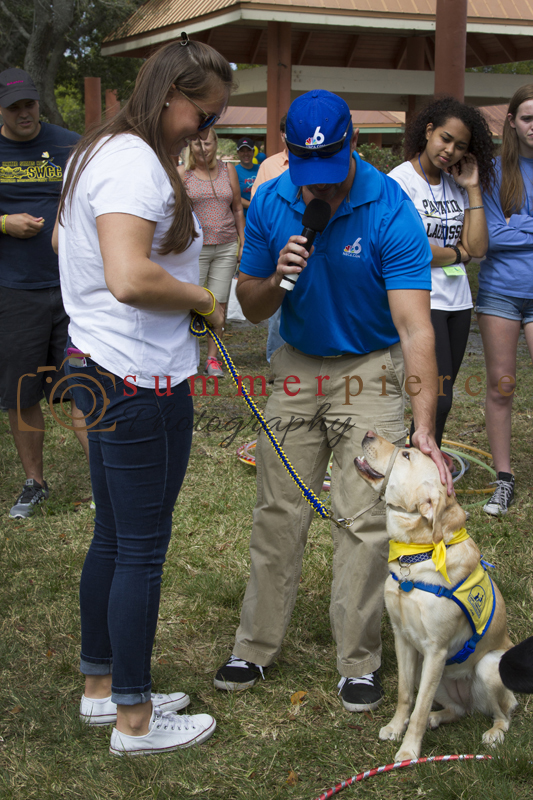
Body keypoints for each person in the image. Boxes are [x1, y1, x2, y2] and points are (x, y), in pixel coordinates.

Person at [213, 89, 452, 713]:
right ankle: (254, 647)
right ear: (288, 153)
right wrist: (275, 276)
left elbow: (415, 328)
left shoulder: (390, 208)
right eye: (307, 170)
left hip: (369, 366)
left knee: (364, 518)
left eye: (330, 168)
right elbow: (252, 305)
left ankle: (358, 661)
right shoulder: (272, 199)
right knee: (277, 508)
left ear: (354, 145)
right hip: (296, 364)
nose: (318, 185)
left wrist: (424, 428)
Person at [55, 37, 232, 756]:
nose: (206, 130)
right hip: (137, 379)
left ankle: (103, 687)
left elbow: (76, 254)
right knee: (141, 552)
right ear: (171, 96)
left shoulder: (96, 150)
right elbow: (129, 277)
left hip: (101, 363)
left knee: (113, 536)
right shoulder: (133, 163)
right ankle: (134, 719)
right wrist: (200, 299)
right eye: (204, 115)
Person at [0, 67, 89, 519]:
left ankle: (107, 479)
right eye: (14, 107)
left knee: (85, 384)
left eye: (29, 104)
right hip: (14, 291)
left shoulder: (71, 145)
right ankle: (34, 482)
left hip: (73, 287)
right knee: (22, 392)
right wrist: (4, 222)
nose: (24, 113)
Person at [388, 97, 494, 448]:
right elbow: (413, 252)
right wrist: (458, 254)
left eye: (460, 146)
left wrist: (473, 187)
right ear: (429, 131)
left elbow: (478, 246)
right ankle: (419, 463)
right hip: (422, 298)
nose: (450, 151)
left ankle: (422, 463)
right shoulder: (400, 181)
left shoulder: (456, 182)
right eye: (445, 139)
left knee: (441, 402)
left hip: (458, 302)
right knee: (437, 399)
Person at [477, 84, 533, 515]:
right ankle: (504, 479)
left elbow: (506, 231)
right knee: (502, 385)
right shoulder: (494, 173)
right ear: (512, 121)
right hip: (500, 292)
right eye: (529, 118)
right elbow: (489, 237)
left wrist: (517, 225)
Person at [179, 127, 244, 377]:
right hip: (194, 248)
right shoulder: (183, 173)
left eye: (207, 143)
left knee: (219, 303)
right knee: (188, 302)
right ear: (190, 146)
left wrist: (242, 240)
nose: (203, 148)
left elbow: (237, 208)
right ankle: (185, 356)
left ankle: (212, 358)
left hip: (226, 245)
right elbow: (174, 211)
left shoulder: (228, 170)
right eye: (197, 144)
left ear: (215, 144)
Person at [250, 114, 289, 363]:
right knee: (278, 304)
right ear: (283, 135)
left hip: (313, 244)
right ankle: (276, 361)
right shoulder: (269, 166)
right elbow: (258, 207)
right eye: (287, 132)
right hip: (277, 245)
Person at [234, 136, 259, 215]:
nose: (246, 154)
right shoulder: (234, 171)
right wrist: (253, 205)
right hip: (242, 216)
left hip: (260, 215)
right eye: (242, 151)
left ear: (253, 151)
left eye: (248, 150)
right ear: (238, 153)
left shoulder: (261, 168)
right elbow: (234, 197)